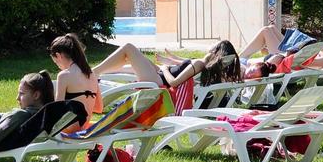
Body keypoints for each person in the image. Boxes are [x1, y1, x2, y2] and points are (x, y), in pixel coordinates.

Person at [92, 39, 242, 90]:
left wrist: (164, 68)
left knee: (128, 48)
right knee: (129, 58)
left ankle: (94, 72)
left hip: (160, 81)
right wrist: (167, 64)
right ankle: (98, 72)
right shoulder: (203, 65)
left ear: (215, 51)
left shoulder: (199, 63)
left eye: (214, 45)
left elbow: (174, 83)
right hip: (160, 76)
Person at [49, 33, 103, 118]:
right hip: (85, 127)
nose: (58, 67)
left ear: (58, 56)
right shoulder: (92, 74)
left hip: (70, 128)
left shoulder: (64, 76)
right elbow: (99, 108)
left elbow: (58, 111)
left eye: (56, 63)